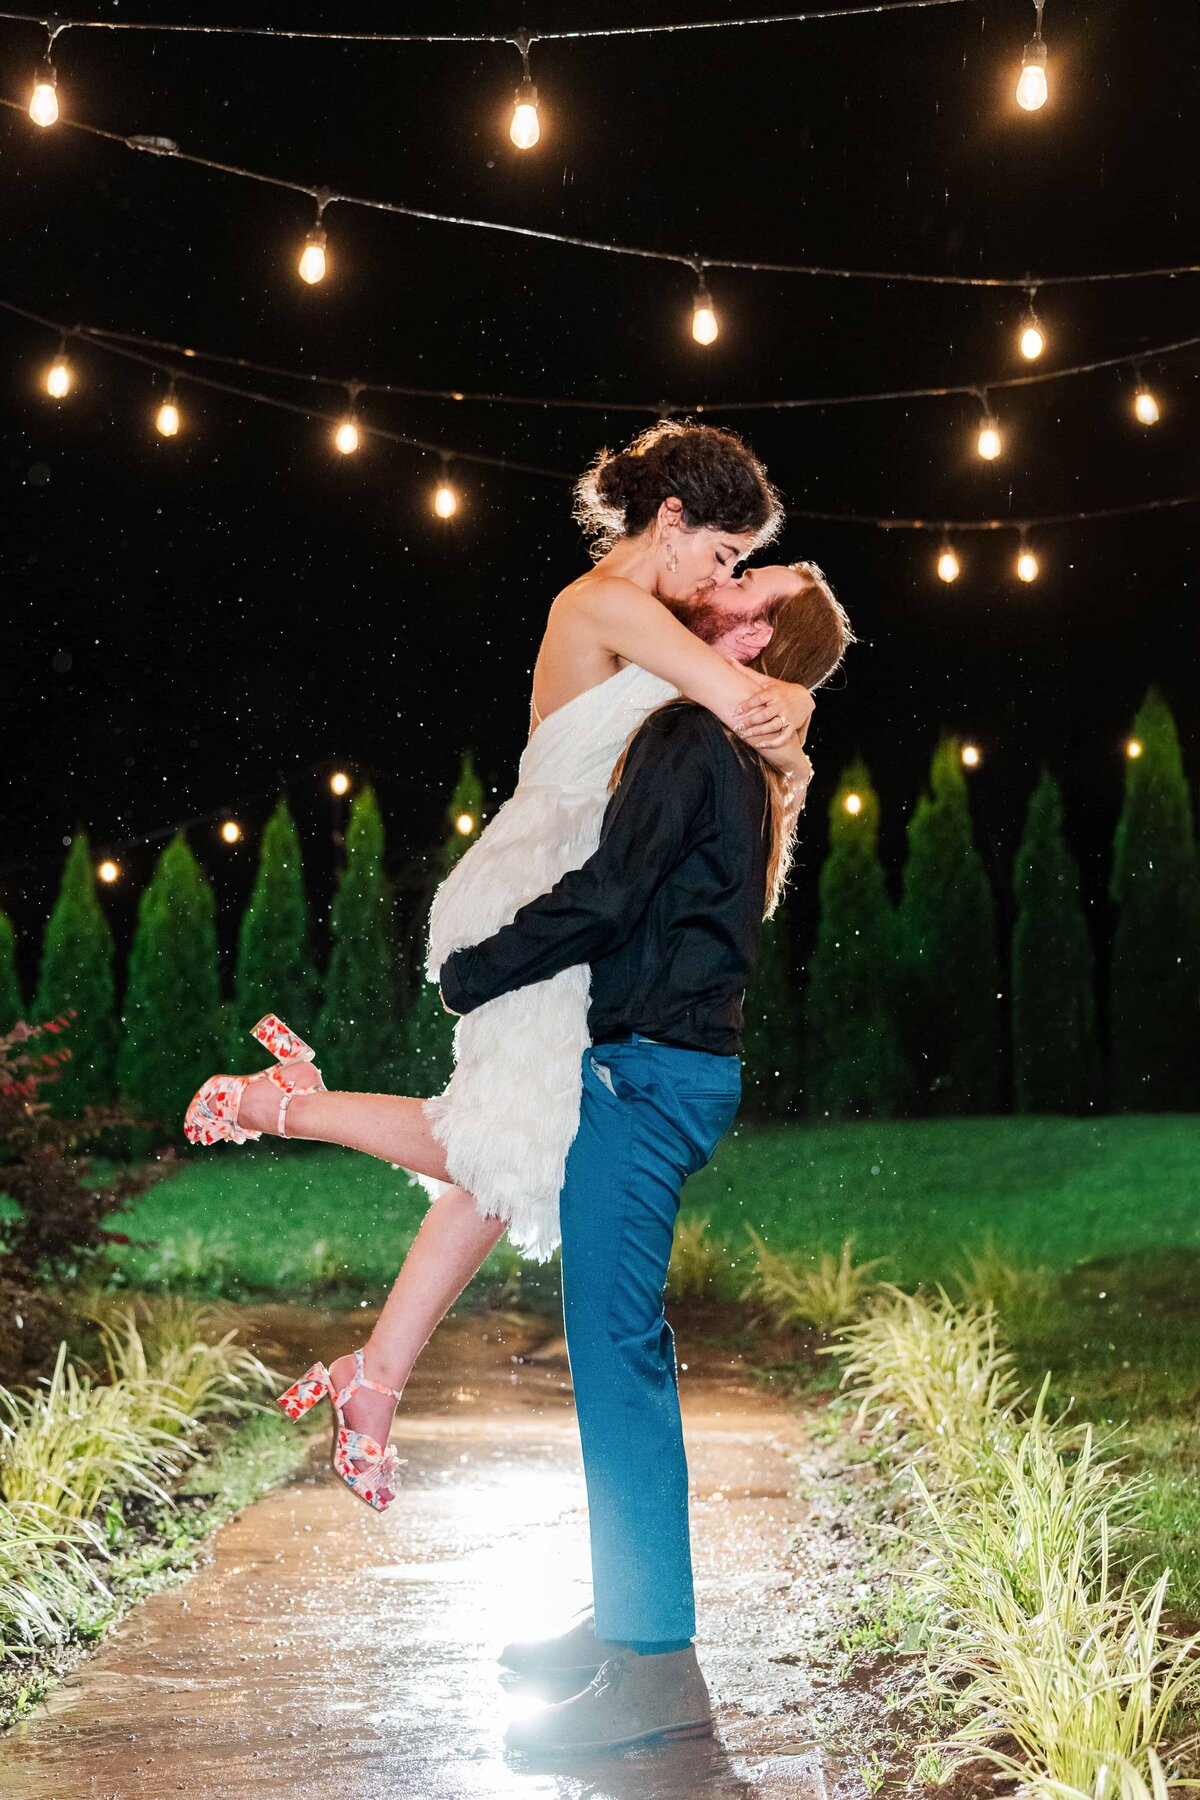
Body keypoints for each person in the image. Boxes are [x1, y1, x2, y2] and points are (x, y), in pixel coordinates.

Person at [184, 420, 848, 1513]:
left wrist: (799, 702)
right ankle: (281, 1108)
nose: (721, 581)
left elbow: (752, 710)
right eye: (727, 557)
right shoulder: (607, 606)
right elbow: (749, 705)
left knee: (509, 1160)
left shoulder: (656, 624)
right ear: (671, 519)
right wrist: (802, 708)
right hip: (543, 894)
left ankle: (374, 1377)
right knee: (507, 1151)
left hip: (570, 898)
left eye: (742, 574)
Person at [436, 629, 850, 1753]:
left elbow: (609, 896)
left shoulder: (690, 735)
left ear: (758, 640)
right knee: (619, 1350)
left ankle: (658, 1667)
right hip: (672, 1067)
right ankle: (628, 1617)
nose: (717, 595)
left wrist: (474, 970)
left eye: (744, 585)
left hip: (646, 1073)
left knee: (616, 1357)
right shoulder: (733, 751)